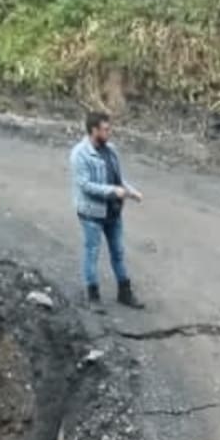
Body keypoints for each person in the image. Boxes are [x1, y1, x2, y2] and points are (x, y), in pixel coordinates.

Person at [70, 111, 144, 308]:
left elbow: (117, 179)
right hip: (91, 213)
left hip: (113, 212)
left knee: (118, 251)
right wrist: (113, 191)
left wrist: (131, 192)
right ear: (94, 130)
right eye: (105, 129)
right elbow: (85, 185)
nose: (109, 132)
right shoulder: (80, 154)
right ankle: (92, 295)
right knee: (92, 253)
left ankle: (125, 292)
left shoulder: (110, 150)